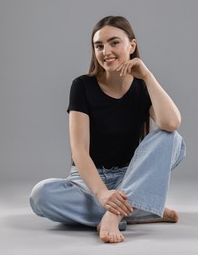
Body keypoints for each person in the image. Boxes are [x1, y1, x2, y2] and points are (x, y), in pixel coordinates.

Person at [30, 15, 186, 243]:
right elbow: (80, 151)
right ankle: (140, 209)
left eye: (114, 43)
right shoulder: (82, 86)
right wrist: (102, 194)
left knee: (173, 140)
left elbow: (171, 123)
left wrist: (147, 75)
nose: (106, 51)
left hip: (131, 176)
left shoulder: (142, 87)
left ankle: (114, 214)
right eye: (99, 46)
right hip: (89, 181)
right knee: (40, 196)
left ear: (131, 46)